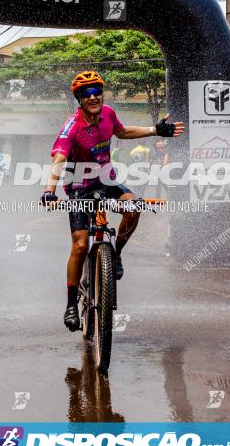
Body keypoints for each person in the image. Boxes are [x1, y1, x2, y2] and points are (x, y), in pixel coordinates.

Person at [41, 71, 184, 332]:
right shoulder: (71, 127)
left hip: (105, 181)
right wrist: (50, 190)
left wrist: (154, 130)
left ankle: (115, 255)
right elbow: (59, 159)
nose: (93, 96)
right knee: (81, 244)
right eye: (87, 93)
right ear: (79, 99)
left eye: (97, 91)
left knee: (133, 207)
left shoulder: (107, 113)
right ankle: (71, 304)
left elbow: (122, 131)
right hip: (78, 188)